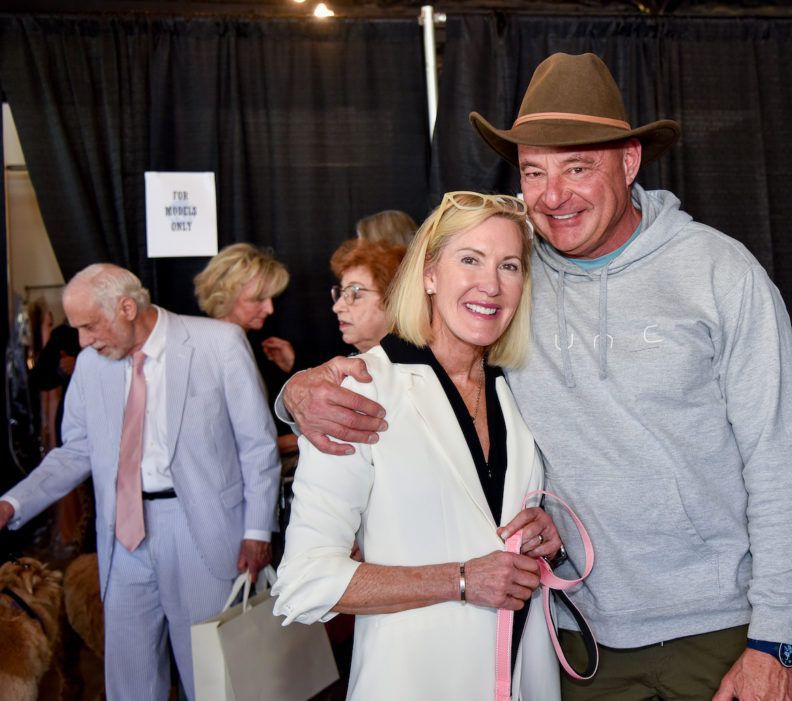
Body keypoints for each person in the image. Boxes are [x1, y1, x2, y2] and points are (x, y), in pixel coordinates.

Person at [280, 53, 792, 701]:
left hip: (722, 630)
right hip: (576, 640)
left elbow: (781, 462)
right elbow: (413, 360)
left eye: (578, 167)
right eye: (535, 171)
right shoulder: (512, 274)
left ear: (629, 161)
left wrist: (775, 637)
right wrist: (297, 397)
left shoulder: (717, 273)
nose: (553, 194)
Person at [272, 192, 563, 700]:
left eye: (509, 266)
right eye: (469, 259)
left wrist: (544, 535)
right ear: (428, 274)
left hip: (523, 678)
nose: (490, 284)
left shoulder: (520, 390)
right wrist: (461, 580)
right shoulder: (360, 394)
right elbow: (305, 582)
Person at [0, 264, 279, 700]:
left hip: (200, 528)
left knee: (211, 678)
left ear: (127, 308)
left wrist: (257, 531)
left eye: (90, 326)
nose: (83, 341)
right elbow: (75, 452)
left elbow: (257, 447)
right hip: (122, 534)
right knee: (128, 679)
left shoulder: (218, 343)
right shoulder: (93, 364)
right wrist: (11, 505)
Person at [195, 242, 296, 455]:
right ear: (225, 296)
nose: (269, 309)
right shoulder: (207, 356)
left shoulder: (255, 347)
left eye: (271, 298)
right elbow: (227, 446)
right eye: (258, 299)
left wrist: (290, 371)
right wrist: (305, 438)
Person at [329, 238, 406, 353]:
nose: (337, 308)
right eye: (342, 293)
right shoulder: (343, 368)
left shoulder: (425, 369)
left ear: (395, 300)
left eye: (355, 294)